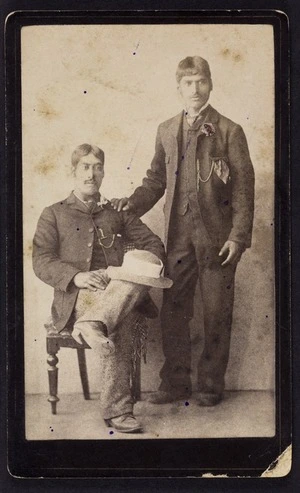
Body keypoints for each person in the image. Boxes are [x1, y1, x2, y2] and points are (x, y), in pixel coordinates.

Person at [111, 56, 255, 406]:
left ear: (210, 85)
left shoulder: (229, 130)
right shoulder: (165, 129)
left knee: (216, 313)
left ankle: (209, 387)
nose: (195, 88)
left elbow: (244, 189)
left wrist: (238, 236)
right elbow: (155, 181)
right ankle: (175, 384)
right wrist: (130, 204)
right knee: (174, 311)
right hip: (177, 238)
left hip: (218, 240)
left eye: (201, 81)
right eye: (188, 82)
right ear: (178, 87)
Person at [32, 143, 171, 433]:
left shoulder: (117, 213)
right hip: (77, 297)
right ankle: (119, 411)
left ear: (104, 173)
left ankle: (95, 324)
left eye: (97, 168)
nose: (91, 174)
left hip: (117, 289)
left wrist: (144, 263)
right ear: (73, 172)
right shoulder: (53, 214)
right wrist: (76, 277)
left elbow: (153, 243)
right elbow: (42, 260)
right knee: (122, 316)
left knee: (134, 283)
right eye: (85, 167)